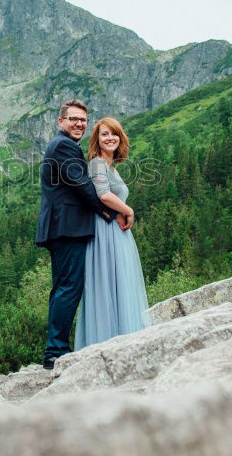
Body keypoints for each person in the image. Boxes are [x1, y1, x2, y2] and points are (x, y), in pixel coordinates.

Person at [35, 99, 115, 369]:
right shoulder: (64, 146)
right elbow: (83, 187)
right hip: (66, 227)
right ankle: (56, 352)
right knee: (69, 288)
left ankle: (54, 350)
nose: (79, 123)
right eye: (73, 119)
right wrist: (111, 214)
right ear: (61, 121)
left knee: (62, 288)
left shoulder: (63, 145)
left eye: (83, 119)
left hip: (62, 227)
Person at [74, 116, 149, 349]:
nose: (110, 138)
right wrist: (129, 210)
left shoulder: (109, 166)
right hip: (105, 232)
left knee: (119, 283)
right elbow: (103, 194)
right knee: (108, 282)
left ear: (120, 138)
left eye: (114, 133)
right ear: (97, 139)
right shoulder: (97, 163)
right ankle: (107, 343)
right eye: (104, 134)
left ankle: (124, 338)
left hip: (116, 233)